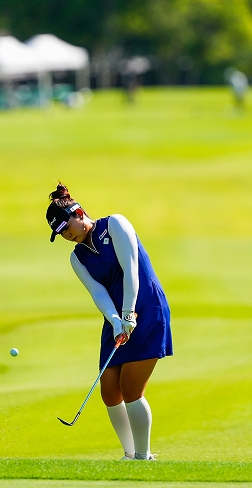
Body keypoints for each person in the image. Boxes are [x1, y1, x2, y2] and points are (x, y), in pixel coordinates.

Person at [46, 184, 172, 461]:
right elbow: (98, 292)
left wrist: (128, 313)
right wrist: (115, 320)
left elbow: (132, 269)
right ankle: (129, 455)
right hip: (116, 316)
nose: (67, 235)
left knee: (130, 388)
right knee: (109, 390)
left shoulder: (115, 224)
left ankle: (142, 456)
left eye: (67, 227)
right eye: (61, 233)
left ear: (79, 213)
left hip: (146, 308)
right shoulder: (77, 257)